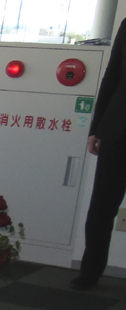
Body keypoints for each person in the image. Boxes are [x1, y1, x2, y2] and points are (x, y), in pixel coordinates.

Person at [76, 18, 126, 290]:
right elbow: (112, 76)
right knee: (101, 209)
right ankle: (90, 272)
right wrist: (96, 129)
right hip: (117, 131)